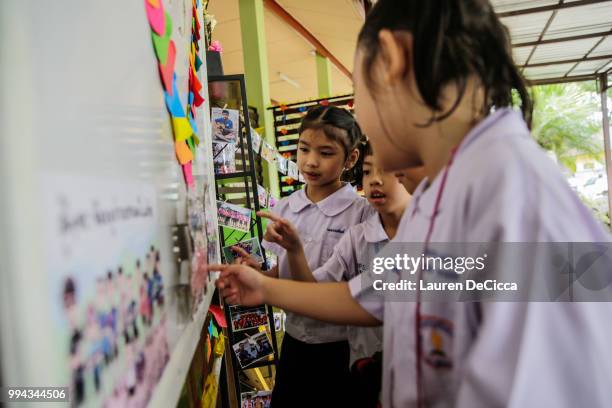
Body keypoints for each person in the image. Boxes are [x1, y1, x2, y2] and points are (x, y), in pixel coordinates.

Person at [211, 0, 612, 407]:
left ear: (392, 59)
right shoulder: (442, 196)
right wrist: (264, 286)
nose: (361, 117)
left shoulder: (514, 206)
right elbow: (369, 295)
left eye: (358, 90)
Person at [262, 105, 375, 406]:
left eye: (325, 153)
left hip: (340, 348)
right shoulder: (285, 207)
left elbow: (332, 289)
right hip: (295, 342)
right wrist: (258, 274)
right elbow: (282, 272)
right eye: (304, 149)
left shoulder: (362, 215)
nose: (311, 162)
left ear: (351, 158)